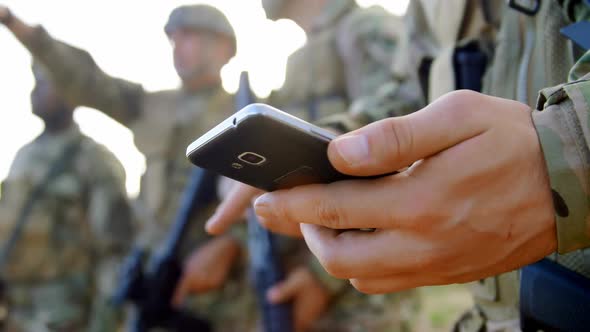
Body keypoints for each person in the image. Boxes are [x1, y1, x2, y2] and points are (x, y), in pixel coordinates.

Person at [208, 0, 590, 330]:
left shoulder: (363, 29)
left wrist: (565, 153)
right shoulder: (427, 10)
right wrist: (330, 141)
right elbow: (410, 95)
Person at [0, 5, 256, 331]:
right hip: (150, 278)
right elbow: (84, 81)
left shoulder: (246, 112)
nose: (178, 47)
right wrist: (15, 24)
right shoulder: (150, 106)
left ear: (224, 47)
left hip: (217, 292)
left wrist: (232, 243)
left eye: (189, 37)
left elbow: (272, 194)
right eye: (173, 39)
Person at [200, 0, 419, 331]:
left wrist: (322, 280)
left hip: (362, 299)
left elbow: (407, 125)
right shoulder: (298, 61)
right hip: (299, 284)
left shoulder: (365, 27)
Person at [0, 62, 133, 331]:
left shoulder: (95, 161)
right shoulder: (23, 156)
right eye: (35, 82)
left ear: (71, 92)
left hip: (65, 316)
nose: (35, 91)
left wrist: (103, 323)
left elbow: (114, 253)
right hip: (16, 312)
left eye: (45, 83)